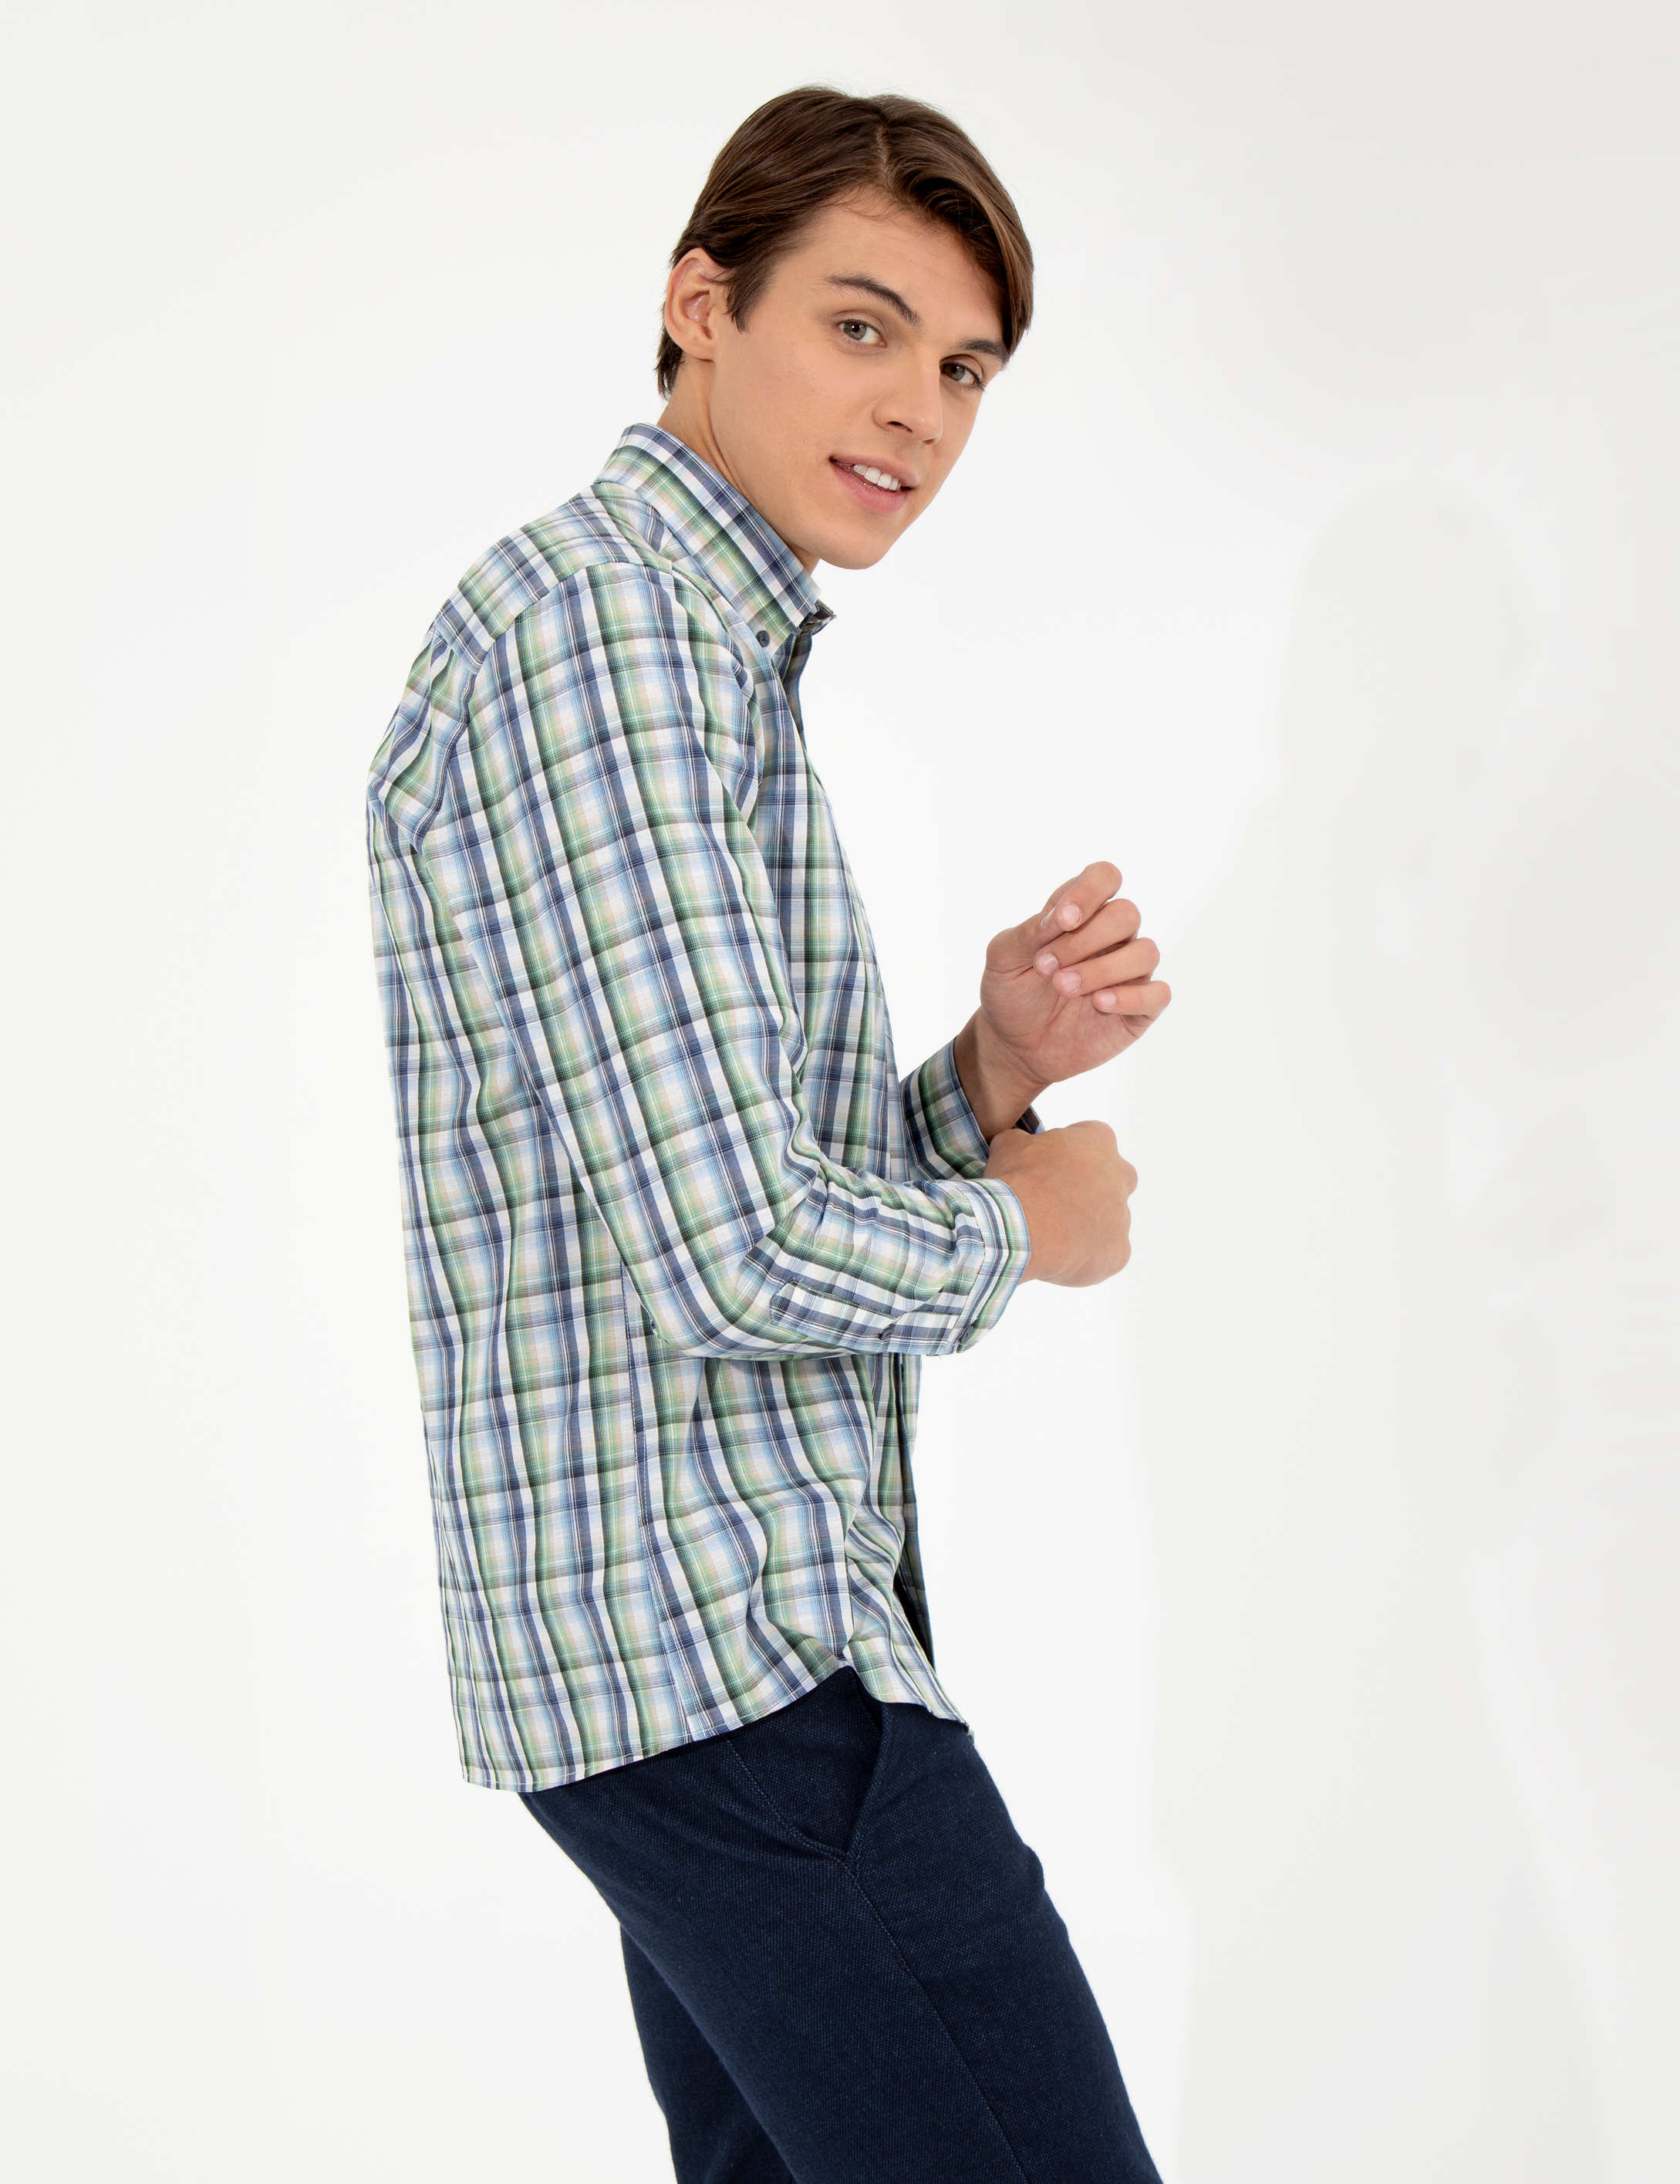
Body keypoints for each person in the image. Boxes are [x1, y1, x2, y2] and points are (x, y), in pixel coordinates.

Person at [366, 84, 1170, 2184]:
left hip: (696, 1662)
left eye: (964, 368)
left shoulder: (675, 641)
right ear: (699, 306)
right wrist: (1030, 1224)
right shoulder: (614, 643)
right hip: (730, 1664)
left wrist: (983, 1074)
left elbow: (703, 1174)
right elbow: (733, 1253)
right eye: (862, 324)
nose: (915, 409)